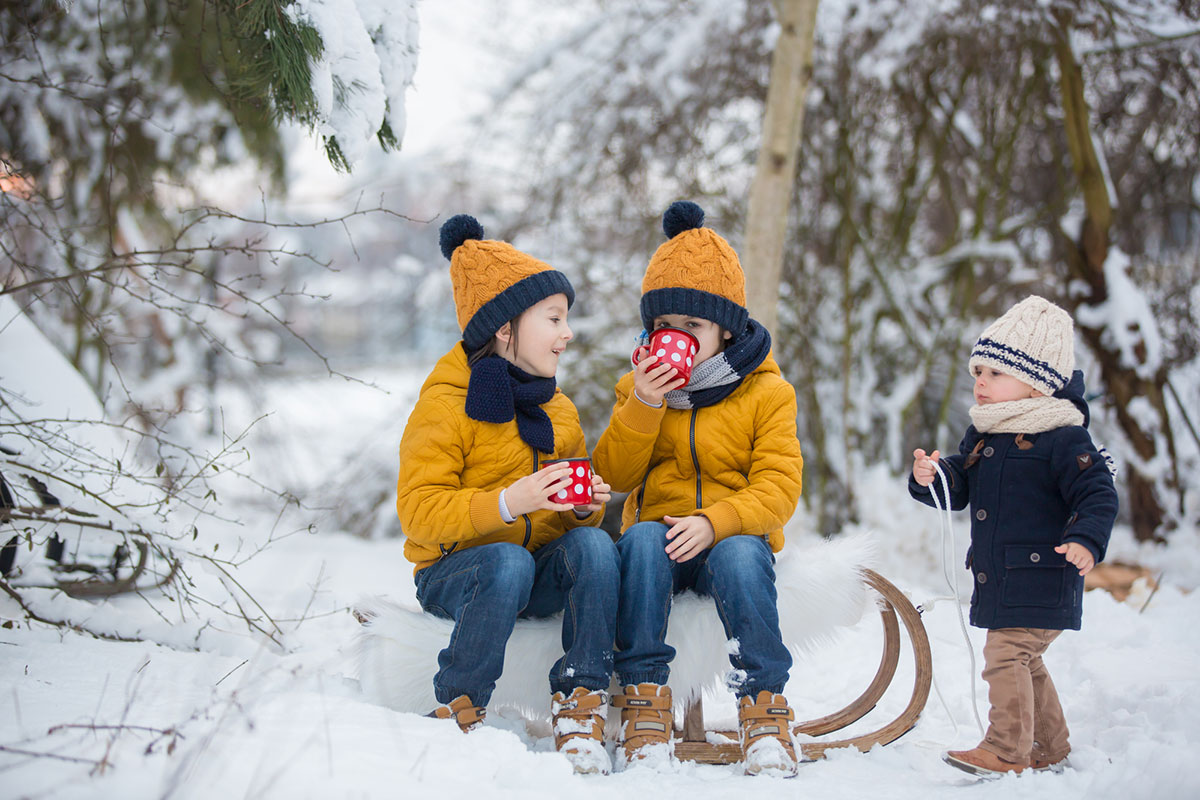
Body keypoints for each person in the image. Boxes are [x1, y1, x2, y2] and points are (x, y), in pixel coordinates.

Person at [395, 214, 619, 775]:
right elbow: (418, 514)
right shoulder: (445, 406)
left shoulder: (558, 410)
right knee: (506, 559)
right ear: (504, 329)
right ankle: (460, 706)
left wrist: (583, 509)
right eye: (554, 319)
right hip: (457, 575)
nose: (567, 334)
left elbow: (568, 534)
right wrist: (504, 503)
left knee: (595, 550)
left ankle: (581, 705)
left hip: (529, 573)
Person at [591, 201, 805, 776]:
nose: (675, 339)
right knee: (635, 543)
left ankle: (763, 713)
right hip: (659, 538)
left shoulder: (766, 393)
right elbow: (612, 477)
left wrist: (717, 521)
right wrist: (644, 402)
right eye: (665, 327)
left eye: (693, 327)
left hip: (728, 536)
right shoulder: (637, 389)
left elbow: (781, 485)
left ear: (724, 329)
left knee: (739, 555)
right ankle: (643, 708)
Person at [909, 295, 1118, 778]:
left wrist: (1086, 539)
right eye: (977, 372)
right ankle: (1049, 743)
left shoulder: (1064, 438)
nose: (981, 383)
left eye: (996, 374)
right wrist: (933, 476)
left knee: (1006, 655)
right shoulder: (985, 434)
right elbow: (960, 485)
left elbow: (1097, 493)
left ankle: (1006, 749)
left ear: (1036, 383)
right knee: (1027, 660)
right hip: (1003, 576)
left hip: (1045, 572)